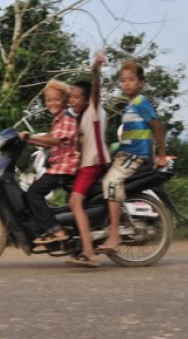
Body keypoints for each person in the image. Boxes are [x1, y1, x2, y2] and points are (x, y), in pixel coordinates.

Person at [98, 61, 167, 253]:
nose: (126, 84)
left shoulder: (140, 102)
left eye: (131, 80)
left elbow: (158, 128)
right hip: (125, 154)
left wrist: (160, 155)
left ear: (141, 82)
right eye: (123, 80)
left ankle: (114, 236)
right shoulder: (130, 106)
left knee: (111, 183)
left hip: (136, 155)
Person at [20, 79, 80, 244]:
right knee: (33, 192)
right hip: (58, 166)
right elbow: (48, 138)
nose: (52, 103)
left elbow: (56, 140)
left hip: (64, 167)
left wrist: (32, 137)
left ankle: (56, 230)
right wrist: (29, 140)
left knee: (33, 193)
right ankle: (41, 230)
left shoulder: (67, 119)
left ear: (64, 100)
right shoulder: (58, 119)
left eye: (56, 99)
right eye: (49, 100)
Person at [65, 52, 110, 268]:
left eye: (76, 97)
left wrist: (95, 69)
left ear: (87, 98)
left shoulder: (94, 108)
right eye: (70, 97)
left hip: (93, 163)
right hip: (88, 163)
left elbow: (96, 88)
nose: (72, 101)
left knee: (75, 202)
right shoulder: (82, 117)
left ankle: (89, 253)